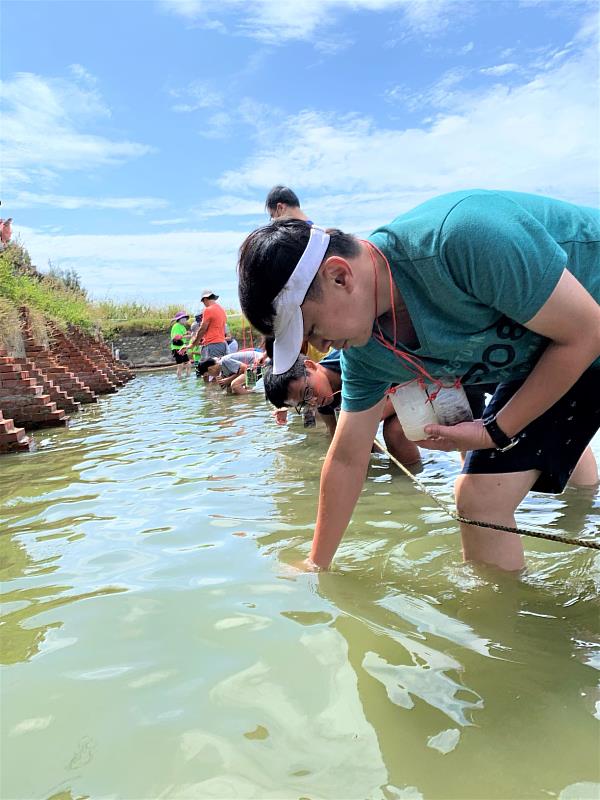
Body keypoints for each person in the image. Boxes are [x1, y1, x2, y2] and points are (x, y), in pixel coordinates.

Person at [238, 190, 600, 572]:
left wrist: (494, 431)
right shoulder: (364, 350)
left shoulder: (459, 238)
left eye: (311, 329)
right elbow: (347, 458)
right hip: (554, 355)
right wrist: (316, 563)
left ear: (339, 276)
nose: (319, 346)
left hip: (584, 321)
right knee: (480, 501)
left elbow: (586, 330)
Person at [264, 351, 422, 467]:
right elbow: (336, 432)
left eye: (307, 392)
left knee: (393, 431)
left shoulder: (354, 360)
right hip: (389, 399)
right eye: (303, 404)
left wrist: (374, 415)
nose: (312, 402)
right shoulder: (324, 401)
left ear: (311, 366)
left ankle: (412, 481)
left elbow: (412, 374)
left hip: (416, 385)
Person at [186, 290, 227, 377]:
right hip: (222, 343)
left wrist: (194, 344)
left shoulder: (208, 310)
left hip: (212, 345)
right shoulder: (221, 309)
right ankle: (215, 390)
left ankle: (211, 390)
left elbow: (203, 329)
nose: (203, 303)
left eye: (203, 301)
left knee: (210, 372)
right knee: (221, 371)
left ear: (205, 299)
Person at [196, 348, 267, 395]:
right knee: (232, 389)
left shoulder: (224, 361)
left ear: (210, 369)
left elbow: (245, 367)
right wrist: (224, 384)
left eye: (208, 375)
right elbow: (229, 389)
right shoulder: (222, 370)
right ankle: (253, 396)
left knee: (235, 385)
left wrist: (229, 380)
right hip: (253, 369)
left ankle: (253, 397)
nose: (211, 377)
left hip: (260, 363)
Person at [169, 311, 191, 378]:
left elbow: (182, 335)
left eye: (185, 319)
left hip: (182, 347)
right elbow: (176, 337)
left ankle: (188, 377)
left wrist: (187, 333)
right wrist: (188, 336)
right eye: (183, 319)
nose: (185, 321)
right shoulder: (176, 326)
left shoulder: (183, 327)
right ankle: (179, 378)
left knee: (188, 364)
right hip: (177, 348)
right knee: (180, 365)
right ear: (179, 320)